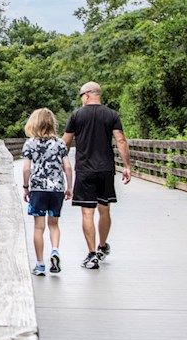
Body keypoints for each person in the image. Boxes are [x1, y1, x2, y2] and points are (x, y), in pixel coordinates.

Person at [62, 81, 132, 269]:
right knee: (104, 208)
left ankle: (92, 255)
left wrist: (62, 162)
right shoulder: (111, 114)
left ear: (86, 95)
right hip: (106, 169)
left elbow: (65, 142)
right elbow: (121, 141)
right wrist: (127, 166)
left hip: (85, 170)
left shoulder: (76, 115)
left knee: (87, 212)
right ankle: (102, 246)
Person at [21, 108, 73, 276]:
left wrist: (25, 187)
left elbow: (26, 168)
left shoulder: (30, 143)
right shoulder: (60, 143)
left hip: (38, 189)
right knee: (54, 224)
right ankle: (55, 251)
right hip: (56, 188)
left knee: (38, 227)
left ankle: (40, 264)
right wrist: (69, 187)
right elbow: (68, 167)